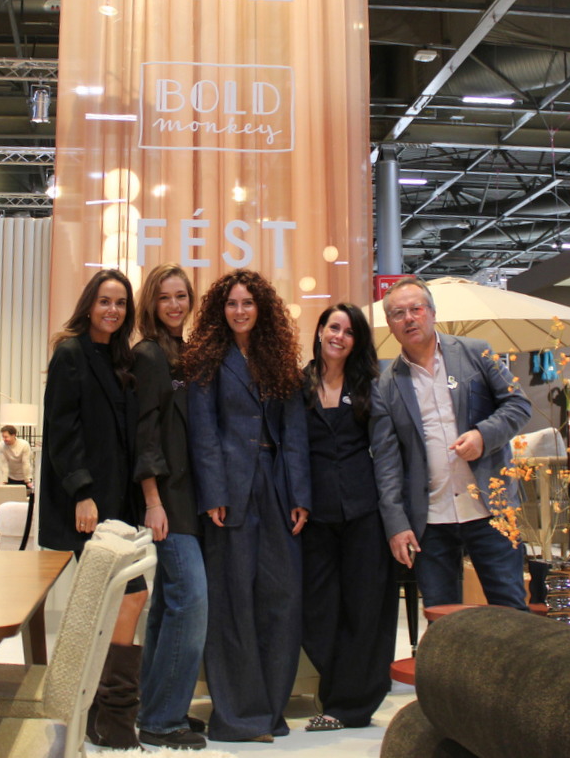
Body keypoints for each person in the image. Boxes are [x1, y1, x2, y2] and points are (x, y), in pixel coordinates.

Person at [186, 270, 310, 743]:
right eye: (232, 303)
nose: (240, 311)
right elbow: (203, 432)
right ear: (221, 310)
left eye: (248, 303)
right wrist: (213, 493)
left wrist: (300, 497)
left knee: (283, 597)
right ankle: (238, 716)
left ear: (262, 309)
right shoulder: (207, 359)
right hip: (230, 491)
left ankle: (271, 711)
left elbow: (295, 431)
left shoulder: (277, 358)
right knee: (232, 599)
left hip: (276, 486)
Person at [371, 277, 532, 610]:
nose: (409, 318)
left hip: (490, 509)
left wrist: (483, 435)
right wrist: (396, 525)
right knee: (442, 618)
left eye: (416, 309)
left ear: (432, 312)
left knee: (511, 610)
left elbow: (518, 404)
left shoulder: (476, 353)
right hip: (430, 520)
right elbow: (386, 462)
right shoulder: (386, 386)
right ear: (390, 323)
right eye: (399, 313)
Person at [38, 268, 147, 749]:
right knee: (127, 597)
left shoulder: (120, 358)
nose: (113, 310)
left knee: (113, 601)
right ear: (89, 304)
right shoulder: (71, 353)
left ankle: (102, 715)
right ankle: (114, 717)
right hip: (87, 503)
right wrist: (82, 491)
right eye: (105, 301)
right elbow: (62, 431)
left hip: (118, 503)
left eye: (120, 303)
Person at [299, 304, 398, 733]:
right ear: (320, 331)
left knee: (365, 608)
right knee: (316, 609)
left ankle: (351, 705)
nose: (339, 336)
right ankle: (338, 690)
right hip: (313, 515)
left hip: (364, 511)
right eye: (333, 327)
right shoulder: (298, 385)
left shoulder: (369, 386)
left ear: (357, 341)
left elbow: (387, 451)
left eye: (349, 331)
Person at [130, 264, 207, 750]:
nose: (175, 305)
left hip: (190, 497)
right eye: (165, 297)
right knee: (190, 603)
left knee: (167, 607)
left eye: (181, 296)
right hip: (168, 500)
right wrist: (153, 501)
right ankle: (162, 720)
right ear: (151, 304)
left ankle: (156, 708)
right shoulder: (150, 355)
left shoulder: (183, 353)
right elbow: (145, 433)